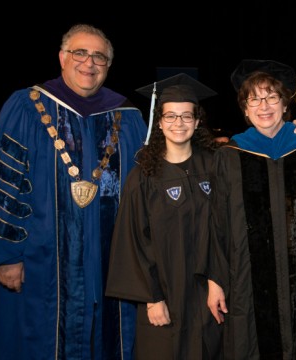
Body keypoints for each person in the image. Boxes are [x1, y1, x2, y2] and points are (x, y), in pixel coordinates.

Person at [0, 24, 147, 360]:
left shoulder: (127, 117)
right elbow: (3, 183)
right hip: (41, 263)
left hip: (110, 263)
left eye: (99, 56)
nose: (89, 63)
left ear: (108, 65)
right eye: (80, 53)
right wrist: (7, 256)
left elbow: (142, 191)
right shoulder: (27, 106)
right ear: (63, 58)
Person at [206, 59, 296, 359]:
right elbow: (218, 223)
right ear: (245, 109)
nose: (263, 106)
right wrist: (214, 281)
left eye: (271, 96)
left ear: (286, 103)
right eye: (254, 99)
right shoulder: (230, 155)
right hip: (247, 282)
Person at [105, 73, 223, 359]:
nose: (178, 124)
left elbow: (228, 229)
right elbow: (133, 240)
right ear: (159, 123)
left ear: (197, 122)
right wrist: (152, 297)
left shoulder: (217, 166)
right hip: (165, 292)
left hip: (209, 292)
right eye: (170, 116)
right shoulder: (143, 176)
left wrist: (219, 280)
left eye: (186, 116)